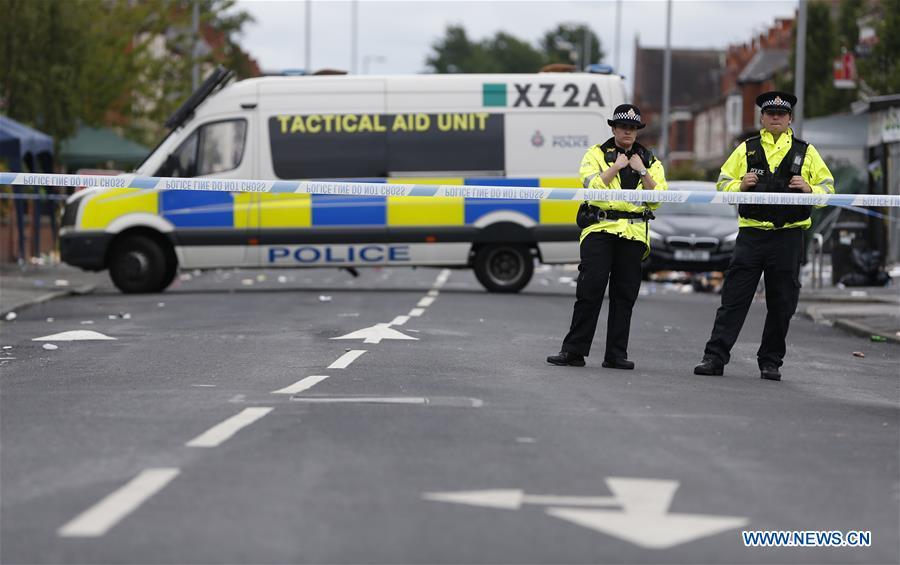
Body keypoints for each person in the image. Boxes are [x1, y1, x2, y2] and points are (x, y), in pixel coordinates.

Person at [693, 91, 834, 381]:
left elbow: (829, 191)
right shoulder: (747, 149)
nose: (775, 118)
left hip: (788, 237)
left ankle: (770, 361)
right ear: (762, 117)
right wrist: (739, 185)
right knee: (734, 299)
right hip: (752, 235)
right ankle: (714, 358)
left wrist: (810, 189)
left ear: (790, 118)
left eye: (781, 114)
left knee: (782, 304)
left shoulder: (806, 151)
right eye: (770, 113)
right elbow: (721, 185)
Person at [547, 104, 668, 369]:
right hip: (600, 229)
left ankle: (615, 355)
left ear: (637, 132)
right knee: (589, 291)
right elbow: (592, 189)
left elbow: (658, 199)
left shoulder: (649, 160)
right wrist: (615, 167)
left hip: (633, 233)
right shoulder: (596, 154)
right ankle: (574, 351)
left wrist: (642, 171)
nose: (628, 132)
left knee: (624, 296)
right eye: (623, 127)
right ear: (613, 128)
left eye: (633, 128)